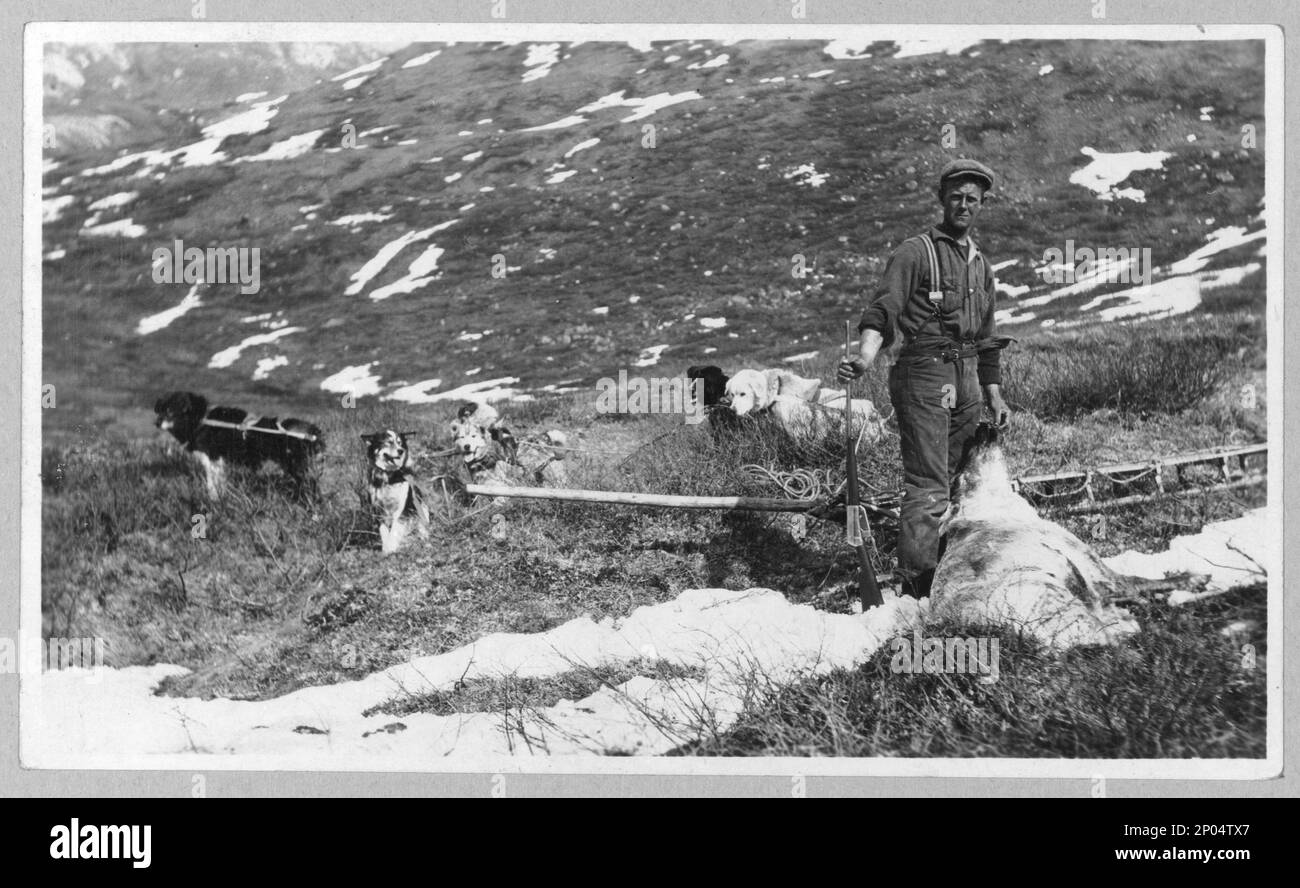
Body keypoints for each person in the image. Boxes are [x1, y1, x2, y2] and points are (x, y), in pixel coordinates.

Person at [837, 158, 1011, 600]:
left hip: (967, 381)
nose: (963, 205)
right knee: (929, 488)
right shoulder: (916, 252)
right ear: (942, 200)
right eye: (955, 197)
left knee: (961, 482)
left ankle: (955, 573)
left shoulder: (981, 266)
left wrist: (995, 396)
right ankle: (917, 591)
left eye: (972, 199)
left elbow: (988, 337)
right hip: (923, 377)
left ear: (982, 204)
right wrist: (865, 357)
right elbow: (883, 308)